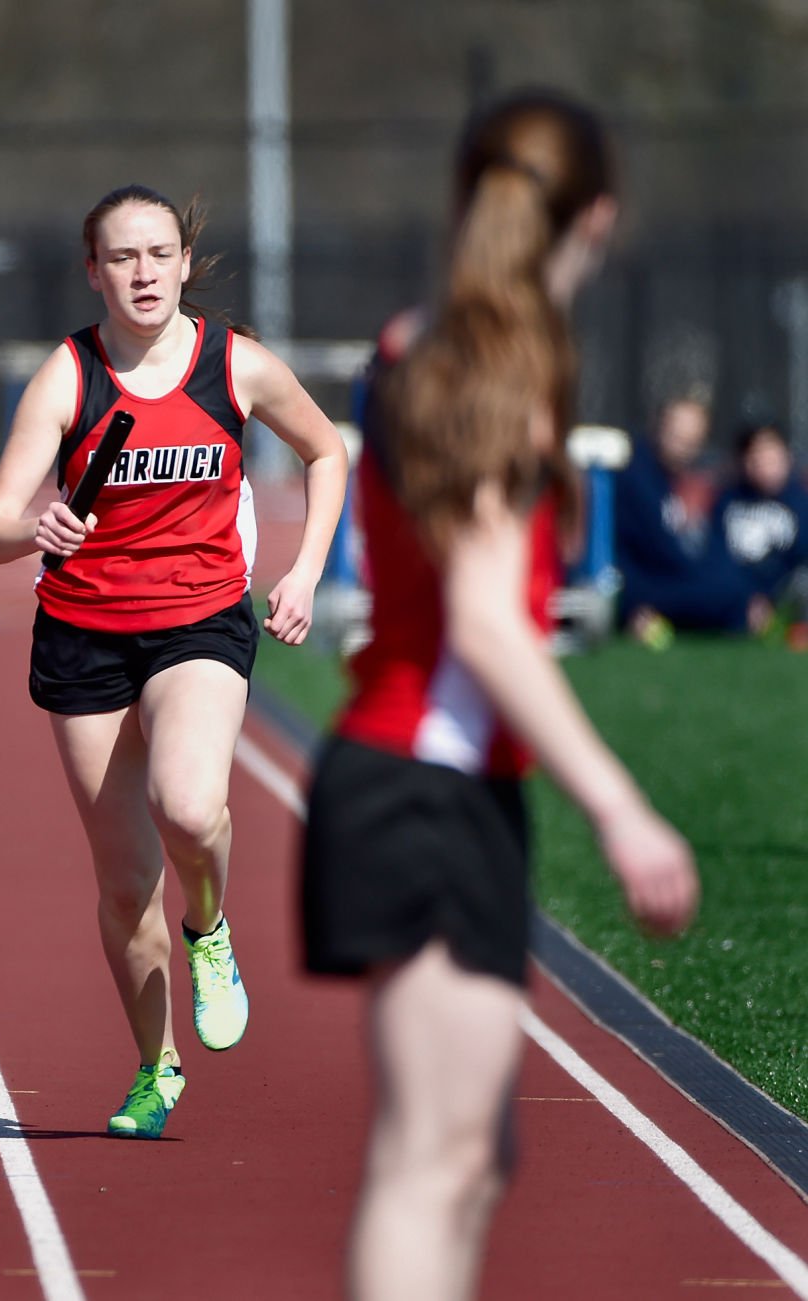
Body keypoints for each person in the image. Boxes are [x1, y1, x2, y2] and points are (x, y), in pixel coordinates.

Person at [300, 90, 699, 1301]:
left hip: (438, 785)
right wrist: (619, 803)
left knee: (467, 1157)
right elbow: (482, 618)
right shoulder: (486, 365)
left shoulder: (432, 342)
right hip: (415, 781)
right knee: (434, 1160)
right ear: (596, 218)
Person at [0, 184, 348, 1139]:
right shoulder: (68, 377)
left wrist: (303, 572)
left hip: (200, 624)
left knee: (188, 805)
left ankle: (209, 926)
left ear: (187, 263)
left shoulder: (234, 365)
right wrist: (34, 527)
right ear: (93, 272)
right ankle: (155, 1064)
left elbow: (326, 450)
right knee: (125, 882)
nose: (143, 273)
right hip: (85, 635)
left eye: (159, 254)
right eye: (123, 258)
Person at [615, 395, 759, 644]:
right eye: (678, 438)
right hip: (641, 587)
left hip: (666, 578)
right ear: (658, 428)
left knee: (731, 584)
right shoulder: (637, 478)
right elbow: (665, 553)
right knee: (728, 593)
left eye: (692, 442)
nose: (684, 449)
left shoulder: (675, 478)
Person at [713, 420, 808, 647]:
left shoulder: (798, 503)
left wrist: (769, 598)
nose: (764, 465)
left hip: (783, 592)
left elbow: (798, 559)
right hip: (738, 593)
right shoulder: (728, 501)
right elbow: (717, 555)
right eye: (756, 457)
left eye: (771, 456)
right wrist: (748, 598)